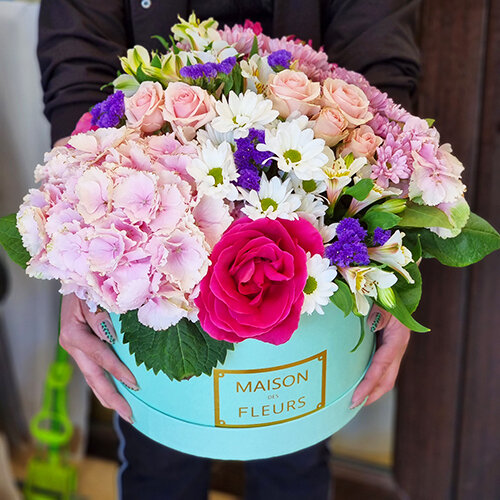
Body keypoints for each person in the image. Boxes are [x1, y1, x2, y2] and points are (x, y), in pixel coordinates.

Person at [38, 1, 420, 498]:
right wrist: (83, 233)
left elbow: (380, 57)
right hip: (152, 224)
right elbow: (78, 57)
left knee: (296, 449)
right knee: (159, 454)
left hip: (314, 229)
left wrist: (396, 246)